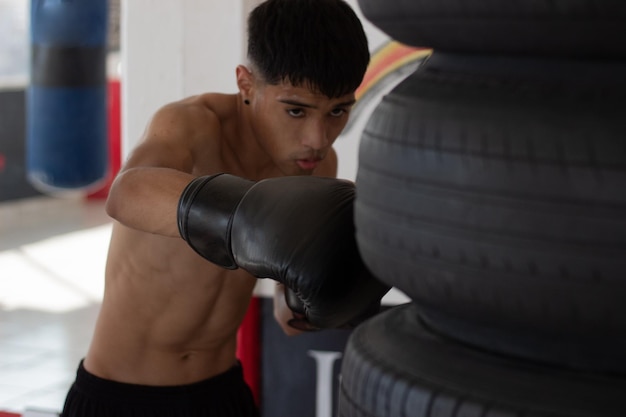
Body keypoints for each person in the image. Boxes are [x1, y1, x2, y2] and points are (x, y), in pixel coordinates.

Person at [60, 0, 381, 416]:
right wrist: (244, 217)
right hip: (122, 395)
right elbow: (127, 193)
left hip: (222, 392)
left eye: (338, 110)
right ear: (246, 85)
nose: (318, 139)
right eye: (295, 110)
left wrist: (312, 304)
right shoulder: (192, 125)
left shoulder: (315, 168)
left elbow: (285, 309)